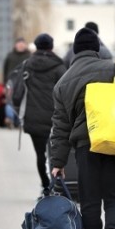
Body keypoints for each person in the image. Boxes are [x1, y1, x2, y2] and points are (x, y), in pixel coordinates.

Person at [49, 27, 115, 229]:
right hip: (114, 140)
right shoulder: (112, 70)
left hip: (86, 146)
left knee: (89, 201)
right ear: (97, 48)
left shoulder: (63, 82)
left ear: (75, 51)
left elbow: (60, 127)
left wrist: (58, 162)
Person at [21, 33, 67, 197]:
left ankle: (45, 185)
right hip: (55, 117)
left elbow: (19, 91)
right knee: (56, 153)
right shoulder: (59, 66)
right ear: (51, 46)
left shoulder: (27, 64)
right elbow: (66, 91)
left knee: (40, 154)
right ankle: (57, 187)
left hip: (33, 117)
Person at [3, 38, 32, 127]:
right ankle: (10, 118)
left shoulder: (29, 56)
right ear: (15, 45)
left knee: (22, 102)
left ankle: (18, 122)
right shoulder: (10, 56)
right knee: (10, 101)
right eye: (19, 44)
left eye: (22, 44)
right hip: (11, 83)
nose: (21, 45)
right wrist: (4, 85)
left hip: (24, 83)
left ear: (25, 45)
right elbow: (5, 71)